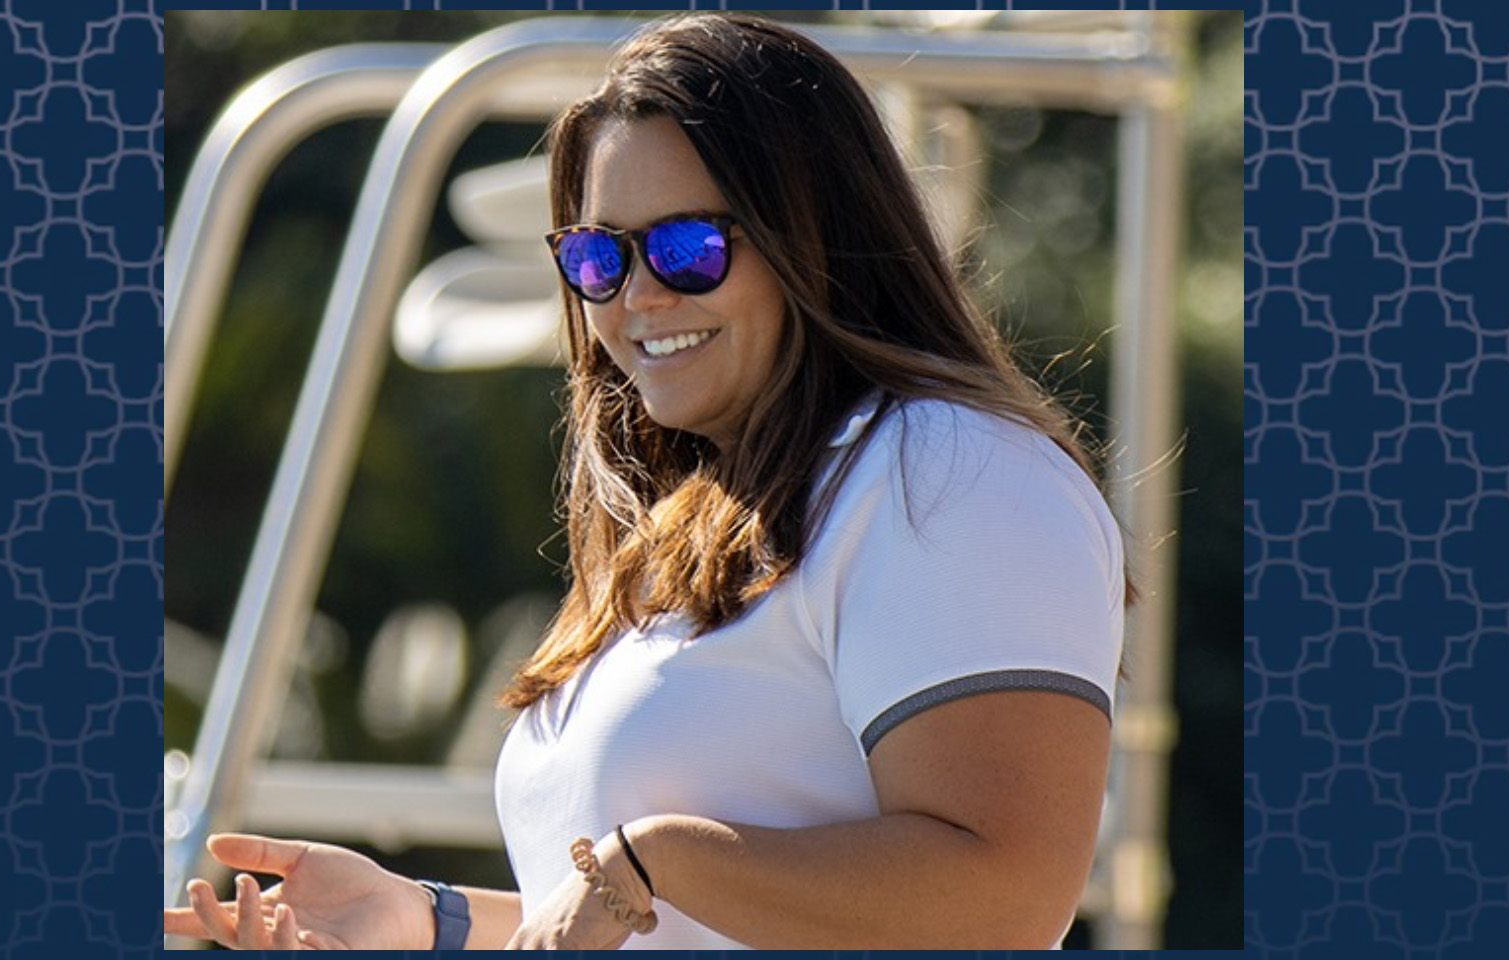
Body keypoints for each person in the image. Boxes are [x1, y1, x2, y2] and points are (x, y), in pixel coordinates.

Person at [164, 11, 1138, 950]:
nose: (637, 296)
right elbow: (672, 927)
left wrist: (657, 858)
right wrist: (427, 919)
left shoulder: (942, 467)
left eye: (688, 249)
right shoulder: (697, 522)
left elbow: (1004, 893)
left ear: (820, 241)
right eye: (598, 257)